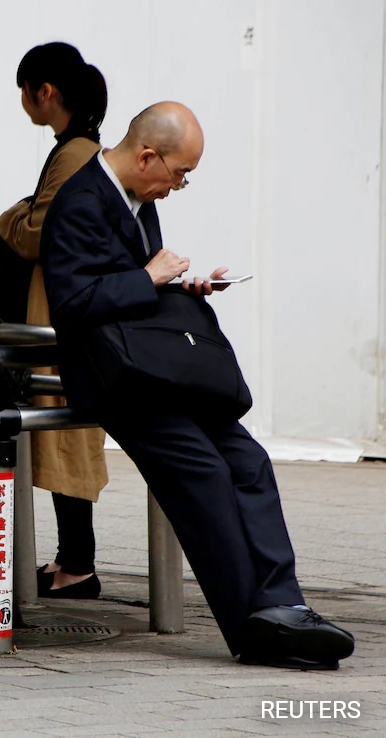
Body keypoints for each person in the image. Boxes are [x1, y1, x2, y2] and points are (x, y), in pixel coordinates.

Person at [41, 101, 356, 670]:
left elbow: (134, 285)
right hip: (120, 382)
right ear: (145, 156)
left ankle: (285, 605)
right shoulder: (81, 202)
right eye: (180, 173)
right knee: (204, 473)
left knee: (249, 460)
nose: (179, 185)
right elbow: (72, 304)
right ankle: (252, 629)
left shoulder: (138, 198)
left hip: (158, 367)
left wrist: (182, 286)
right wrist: (147, 278)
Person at [0, 42, 109, 599]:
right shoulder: (80, 148)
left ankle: (77, 566)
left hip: (59, 313)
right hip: (64, 309)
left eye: (24, 90)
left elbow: (39, 231)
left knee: (65, 436)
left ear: (46, 92)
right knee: (65, 436)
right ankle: (72, 562)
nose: (21, 102)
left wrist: (8, 215)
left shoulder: (74, 153)